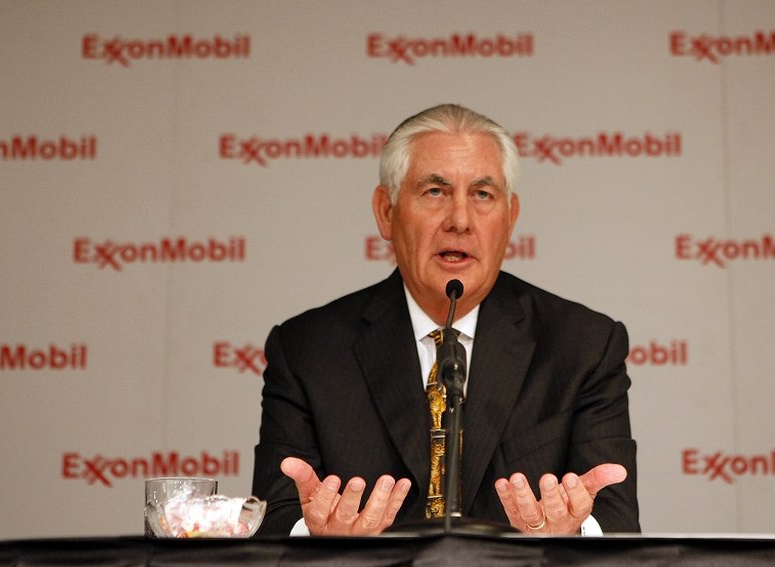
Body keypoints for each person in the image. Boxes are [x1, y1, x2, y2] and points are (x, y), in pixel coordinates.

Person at [252, 104, 639, 537]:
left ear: (510, 218)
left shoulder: (583, 345)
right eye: (435, 191)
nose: (459, 220)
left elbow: (616, 522)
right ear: (386, 211)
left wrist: (572, 535)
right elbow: (275, 521)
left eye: (482, 195)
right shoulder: (307, 351)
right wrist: (319, 538)